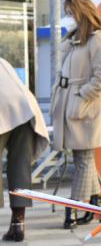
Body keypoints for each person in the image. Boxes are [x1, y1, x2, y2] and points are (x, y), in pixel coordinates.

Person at [50, 0, 101, 229]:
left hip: (85, 109)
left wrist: (80, 97)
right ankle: (95, 201)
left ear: (82, 12)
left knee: (84, 160)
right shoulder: (77, 39)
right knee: (82, 159)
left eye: (70, 11)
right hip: (70, 104)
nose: (68, 16)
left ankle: (74, 206)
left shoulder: (98, 39)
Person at [0, 58, 49, 242]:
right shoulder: (2, 61)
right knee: (19, 167)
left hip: (5, 108)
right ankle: (18, 225)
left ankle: (17, 226)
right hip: (26, 109)